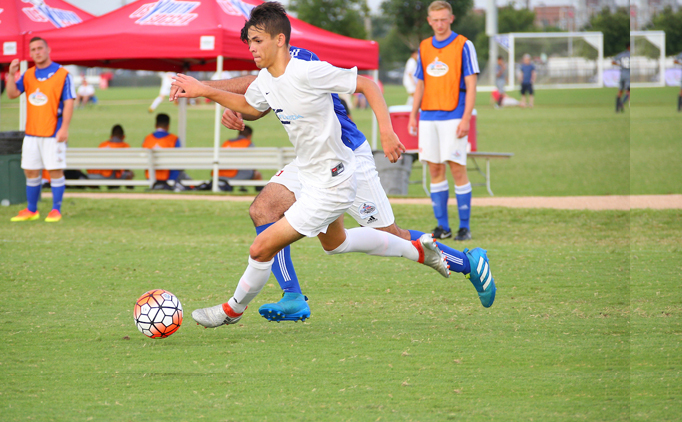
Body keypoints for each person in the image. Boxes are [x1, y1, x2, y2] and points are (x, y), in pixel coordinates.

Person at [171, 2, 464, 329]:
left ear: (280, 39)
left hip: (336, 175)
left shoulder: (307, 67)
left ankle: (233, 309)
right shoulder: (267, 77)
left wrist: (386, 130)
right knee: (329, 241)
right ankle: (417, 253)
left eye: (257, 41)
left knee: (264, 245)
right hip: (310, 168)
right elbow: (251, 104)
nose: (251, 49)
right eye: (249, 43)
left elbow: (367, 84)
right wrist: (218, 100)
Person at [407, 1, 479, 242]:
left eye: (443, 19)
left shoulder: (464, 45)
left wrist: (466, 118)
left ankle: (464, 227)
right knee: (435, 168)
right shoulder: (425, 46)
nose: (439, 24)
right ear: (429, 21)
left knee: (457, 168)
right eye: (435, 20)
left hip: (455, 115)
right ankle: (442, 226)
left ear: (451, 19)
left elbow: (471, 86)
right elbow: (420, 84)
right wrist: (413, 114)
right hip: (428, 117)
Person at [7, 36, 75, 223]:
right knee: (30, 170)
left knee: (54, 170)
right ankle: (32, 210)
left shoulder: (63, 74)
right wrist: (11, 75)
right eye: (33, 50)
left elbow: (69, 102)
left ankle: (56, 209)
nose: (37, 52)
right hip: (31, 133)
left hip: (53, 133)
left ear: (48, 49)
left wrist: (65, 129)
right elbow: (12, 94)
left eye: (40, 48)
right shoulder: (28, 74)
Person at [142, 113, 182, 189]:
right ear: (168, 126)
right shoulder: (174, 139)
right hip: (170, 176)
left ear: (155, 125)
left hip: (150, 175)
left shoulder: (147, 139)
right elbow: (178, 159)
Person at [217, 125, 263, 190]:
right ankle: (259, 194)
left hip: (219, 173)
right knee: (257, 175)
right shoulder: (248, 144)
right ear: (250, 136)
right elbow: (251, 163)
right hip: (235, 174)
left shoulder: (227, 143)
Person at [612, 42, 630, 113]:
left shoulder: (621, 54)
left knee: (620, 91)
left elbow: (613, 61)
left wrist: (620, 65)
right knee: (629, 92)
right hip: (628, 75)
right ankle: (621, 104)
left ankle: (617, 109)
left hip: (622, 74)